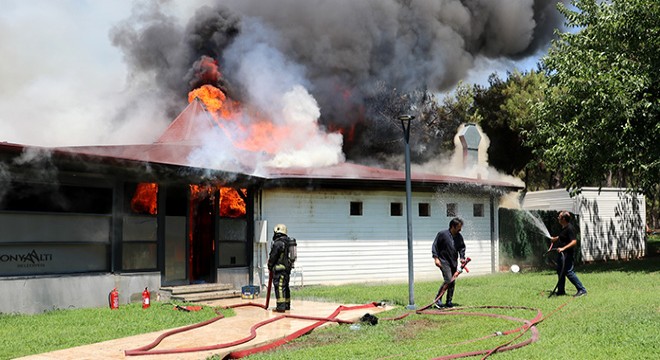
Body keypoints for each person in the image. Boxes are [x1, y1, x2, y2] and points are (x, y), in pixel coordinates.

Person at [431, 217, 466, 308]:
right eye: (459, 227)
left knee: (452, 281)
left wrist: (462, 258)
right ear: (452, 226)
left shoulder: (459, 237)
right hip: (443, 261)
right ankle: (437, 300)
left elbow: (462, 248)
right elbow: (435, 246)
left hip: (453, 262)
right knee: (448, 279)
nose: (460, 229)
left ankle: (449, 301)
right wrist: (436, 258)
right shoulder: (442, 234)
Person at [550, 211, 587, 297]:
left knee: (568, 271)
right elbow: (562, 237)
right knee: (560, 272)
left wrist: (563, 248)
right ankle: (561, 291)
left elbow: (574, 241)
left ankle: (582, 290)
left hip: (567, 255)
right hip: (562, 254)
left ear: (563, 218)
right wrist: (555, 239)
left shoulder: (570, 228)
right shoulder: (564, 228)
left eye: (559, 217)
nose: (558, 218)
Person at [268, 223, 293, 312]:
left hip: (279, 269)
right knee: (285, 287)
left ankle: (281, 307)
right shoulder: (288, 242)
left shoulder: (278, 243)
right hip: (287, 269)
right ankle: (287, 305)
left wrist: (270, 266)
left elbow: (273, 256)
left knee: (279, 287)